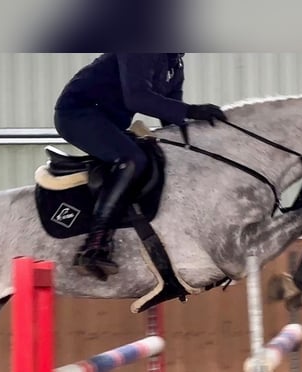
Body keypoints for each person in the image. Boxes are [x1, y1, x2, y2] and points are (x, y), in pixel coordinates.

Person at [54, 53, 227, 279]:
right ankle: (94, 245)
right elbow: (137, 98)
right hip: (78, 114)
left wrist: (198, 144)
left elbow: (170, 113)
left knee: (159, 157)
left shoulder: (174, 64)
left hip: (108, 121)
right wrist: (191, 111)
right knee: (131, 160)